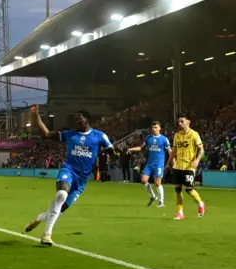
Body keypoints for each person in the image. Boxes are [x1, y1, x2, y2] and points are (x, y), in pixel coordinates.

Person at [25, 105, 114, 246]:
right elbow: (47, 134)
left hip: (82, 180)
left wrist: (111, 153)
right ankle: (46, 235)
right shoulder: (70, 134)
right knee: (61, 195)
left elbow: (111, 149)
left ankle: (39, 218)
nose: (75, 122)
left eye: (78, 120)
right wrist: (36, 116)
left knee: (59, 209)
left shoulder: (99, 136)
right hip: (69, 170)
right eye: (75, 120)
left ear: (87, 121)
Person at [166, 113, 206, 220]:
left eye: (182, 121)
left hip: (189, 166)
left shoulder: (194, 134)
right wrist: (168, 163)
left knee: (189, 189)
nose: (180, 123)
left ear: (188, 122)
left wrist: (197, 160)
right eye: (179, 122)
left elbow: (201, 149)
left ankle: (200, 203)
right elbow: (174, 151)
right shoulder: (177, 135)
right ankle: (180, 213)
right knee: (178, 189)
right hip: (178, 166)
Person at [127, 121, 172, 207]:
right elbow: (141, 148)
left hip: (159, 164)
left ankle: (161, 202)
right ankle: (152, 196)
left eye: (156, 127)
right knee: (143, 181)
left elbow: (170, 152)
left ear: (160, 128)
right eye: (152, 128)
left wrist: (171, 163)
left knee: (157, 183)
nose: (154, 129)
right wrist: (131, 149)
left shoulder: (164, 139)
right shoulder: (148, 138)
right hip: (149, 164)